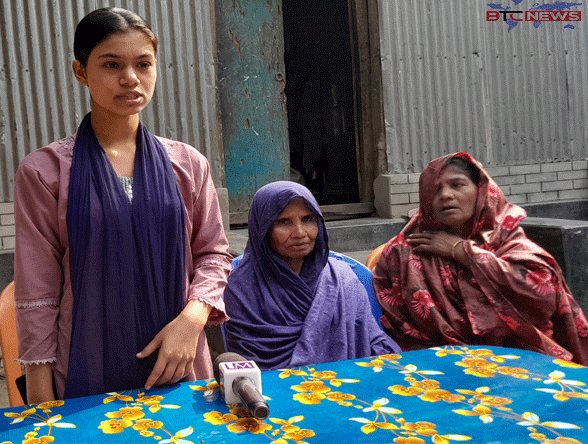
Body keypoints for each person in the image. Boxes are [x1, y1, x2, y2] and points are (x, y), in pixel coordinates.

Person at [13, 7, 231, 403]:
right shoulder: (46, 171)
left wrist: (192, 319)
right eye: (112, 64)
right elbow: (38, 289)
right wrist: (41, 394)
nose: (131, 78)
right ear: (81, 72)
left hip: (179, 358)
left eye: (143, 64)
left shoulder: (187, 164)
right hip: (85, 363)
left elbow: (213, 253)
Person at [373, 152, 588, 363]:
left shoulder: (506, 238)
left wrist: (463, 251)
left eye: (457, 185)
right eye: (435, 190)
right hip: (440, 366)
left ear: (481, 190)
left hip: (524, 360)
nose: (445, 195)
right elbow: (395, 325)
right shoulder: (405, 252)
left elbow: (545, 296)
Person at [223, 181, 399, 370]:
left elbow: (372, 340)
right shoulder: (241, 288)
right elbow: (248, 368)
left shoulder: (343, 278)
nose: (300, 233)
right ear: (262, 230)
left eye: (307, 219)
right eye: (283, 222)